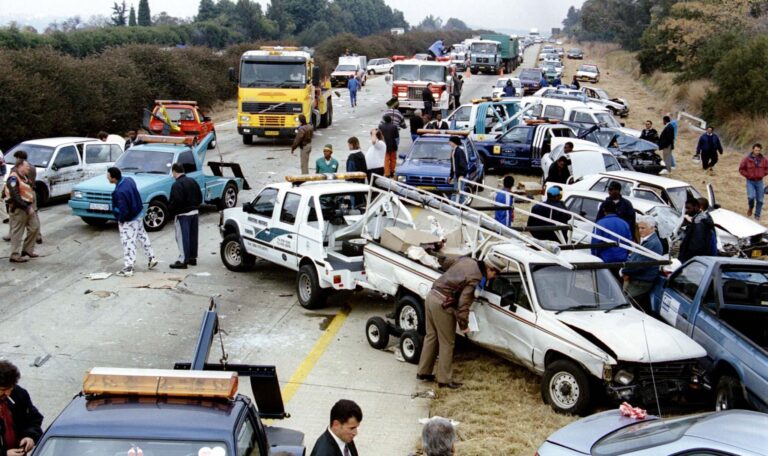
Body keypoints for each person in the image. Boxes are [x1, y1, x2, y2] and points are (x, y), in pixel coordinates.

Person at [417, 255, 504, 389]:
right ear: (491, 269)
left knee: (431, 336)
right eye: (495, 274)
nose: (493, 277)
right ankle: (444, 380)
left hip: (432, 295)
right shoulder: (475, 277)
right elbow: (464, 303)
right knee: (447, 342)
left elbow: (447, 261)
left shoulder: (467, 260)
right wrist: (464, 325)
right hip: (443, 303)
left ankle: (423, 372)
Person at [108, 167, 157, 277]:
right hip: (138, 214)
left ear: (113, 178)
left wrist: (120, 220)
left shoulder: (119, 192)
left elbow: (123, 210)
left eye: (108, 175)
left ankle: (128, 267)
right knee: (143, 236)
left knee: (128, 242)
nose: (107, 177)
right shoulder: (129, 180)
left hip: (129, 220)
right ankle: (151, 257)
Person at [0, 360, 43, 456]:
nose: (7, 393)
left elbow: (33, 419)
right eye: (3, 390)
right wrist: (4, 454)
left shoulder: (19, 394)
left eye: (10, 388)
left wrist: (30, 436)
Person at [622, 215, 664, 311]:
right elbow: (634, 257)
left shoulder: (652, 244)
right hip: (638, 280)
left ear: (652, 228)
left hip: (640, 283)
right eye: (639, 228)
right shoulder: (647, 240)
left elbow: (639, 265)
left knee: (626, 306)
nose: (640, 230)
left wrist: (624, 270)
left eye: (643, 228)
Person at [3, 161, 40, 263]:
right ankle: (14, 255)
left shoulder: (25, 177)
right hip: (19, 208)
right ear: (20, 167)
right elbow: (15, 196)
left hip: (27, 206)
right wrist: (26, 208)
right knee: (17, 232)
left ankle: (27, 251)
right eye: (27, 167)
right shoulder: (13, 178)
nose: (29, 168)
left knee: (34, 227)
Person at [4, 151, 42, 245]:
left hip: (21, 194)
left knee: (15, 217)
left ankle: (10, 235)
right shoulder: (32, 167)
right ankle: (38, 235)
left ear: (18, 158)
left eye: (16, 158)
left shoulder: (14, 169)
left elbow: (12, 186)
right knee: (34, 214)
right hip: (31, 192)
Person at [168, 163, 202, 269]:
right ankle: (192, 257)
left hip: (183, 214)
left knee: (182, 237)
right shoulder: (192, 181)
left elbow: (176, 201)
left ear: (174, 171)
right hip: (194, 212)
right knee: (193, 236)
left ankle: (183, 260)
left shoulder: (176, 185)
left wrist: (171, 211)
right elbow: (200, 197)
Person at [591, 200, 631, 266]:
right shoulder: (624, 223)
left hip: (605, 260)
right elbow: (629, 242)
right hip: (622, 260)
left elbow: (595, 244)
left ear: (604, 209)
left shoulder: (600, 223)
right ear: (616, 209)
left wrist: (594, 258)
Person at [678, 198, 716, 263]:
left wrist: (687, 261)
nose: (686, 211)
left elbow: (696, 246)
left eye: (688, 208)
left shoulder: (699, 223)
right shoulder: (702, 219)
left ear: (698, 207)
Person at [738, 143, 768, 220]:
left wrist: (762, 174)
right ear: (752, 150)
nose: (757, 152)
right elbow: (741, 169)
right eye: (755, 150)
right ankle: (750, 207)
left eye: (758, 150)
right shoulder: (746, 159)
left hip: (759, 181)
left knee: (760, 200)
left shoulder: (764, 160)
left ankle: (757, 215)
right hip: (750, 181)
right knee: (751, 197)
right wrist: (748, 175)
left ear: (760, 150)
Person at [448, 136, 467, 202]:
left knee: (458, 191)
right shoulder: (453, 151)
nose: (449, 143)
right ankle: (460, 206)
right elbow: (453, 165)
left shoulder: (459, 151)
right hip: (456, 174)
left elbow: (463, 163)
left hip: (460, 175)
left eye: (450, 141)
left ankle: (455, 207)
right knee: (458, 191)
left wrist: (462, 174)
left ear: (454, 142)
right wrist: (451, 176)